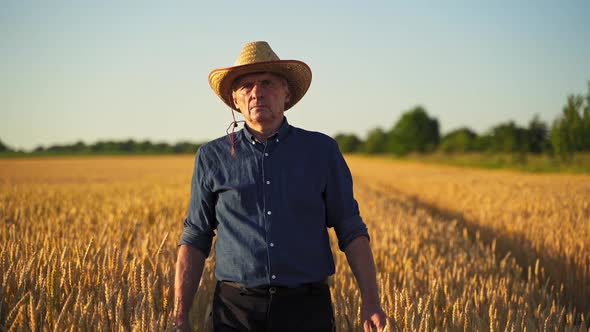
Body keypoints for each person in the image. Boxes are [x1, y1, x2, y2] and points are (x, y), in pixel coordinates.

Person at [174, 41, 387, 332]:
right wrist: (180, 315)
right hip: (236, 311)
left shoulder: (321, 151)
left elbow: (350, 228)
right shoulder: (211, 157)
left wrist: (371, 302)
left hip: (306, 310)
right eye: (246, 86)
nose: (256, 92)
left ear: (287, 93)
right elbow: (196, 237)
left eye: (267, 82)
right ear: (234, 100)